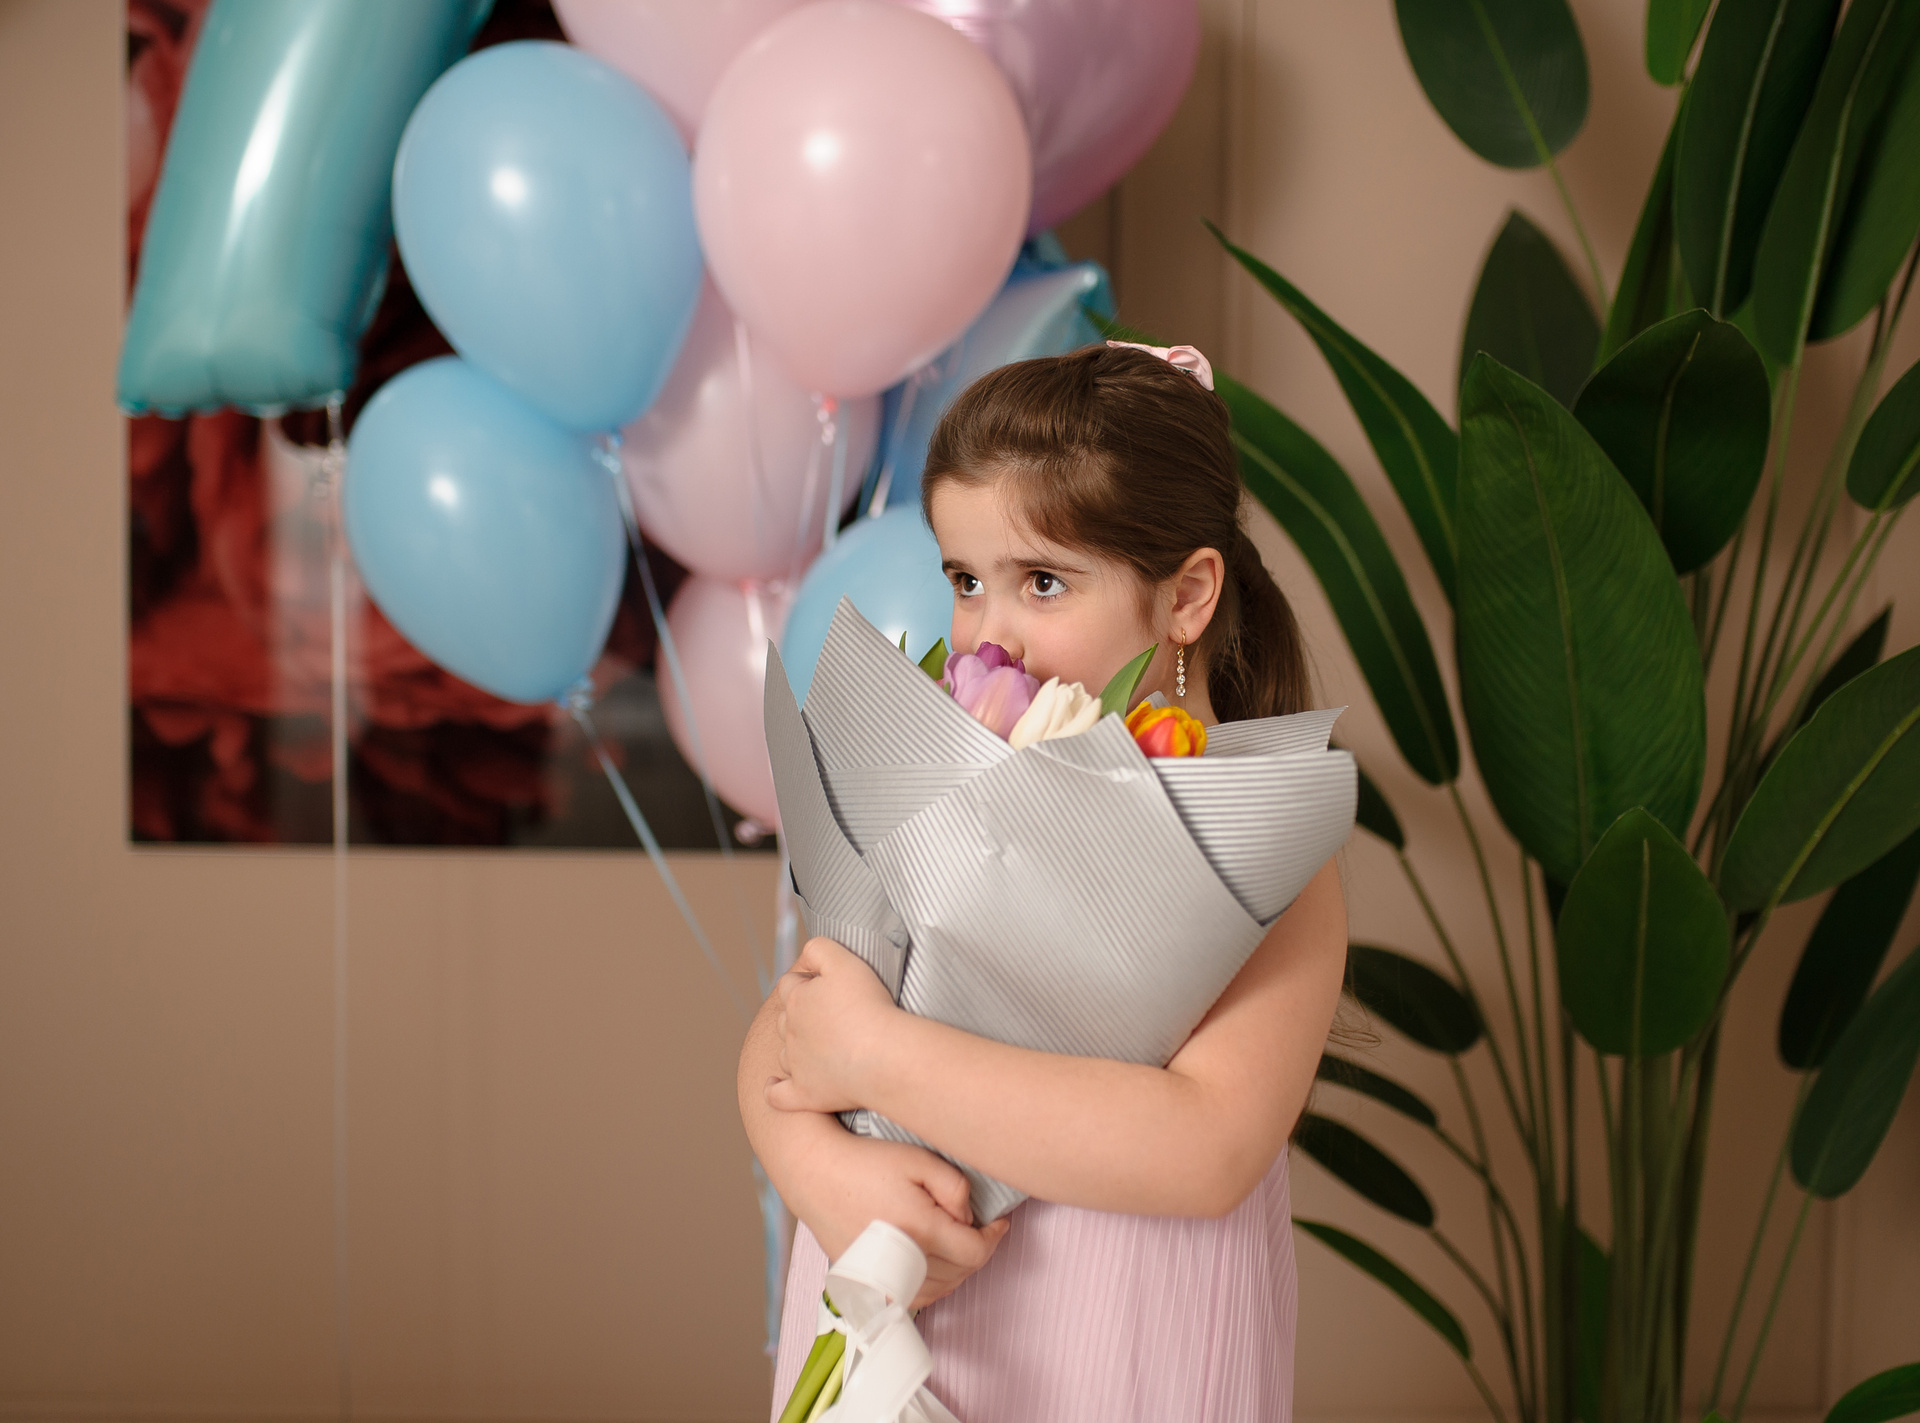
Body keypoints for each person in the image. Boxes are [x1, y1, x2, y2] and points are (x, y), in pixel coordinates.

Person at [740, 341, 1349, 1422]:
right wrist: (807, 1160)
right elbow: (797, 1024)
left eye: (1044, 582)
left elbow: (1206, 1146)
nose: (991, 632)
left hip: (1124, 1343)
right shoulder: (941, 780)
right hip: (902, 1306)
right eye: (966, 580)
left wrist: (878, 1055)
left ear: (1187, 595)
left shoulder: (1255, 847)